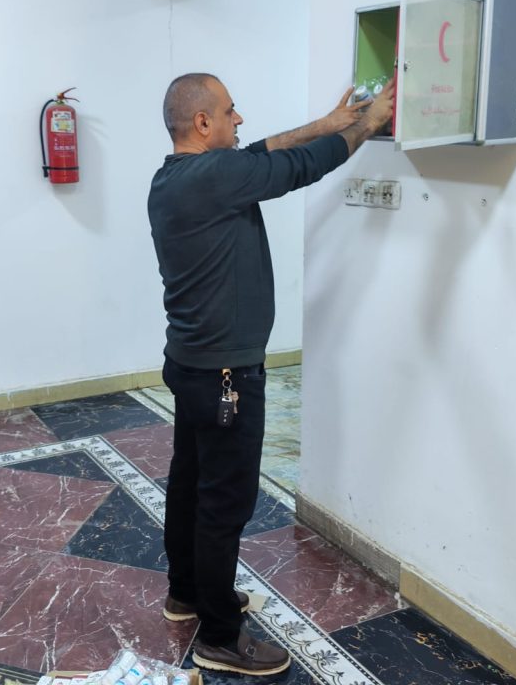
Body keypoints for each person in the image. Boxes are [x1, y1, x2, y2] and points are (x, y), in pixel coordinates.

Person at [148, 73, 393, 675]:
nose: (240, 120)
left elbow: (261, 151)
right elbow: (300, 166)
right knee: (224, 504)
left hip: (191, 365)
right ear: (202, 123)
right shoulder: (216, 176)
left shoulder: (174, 177)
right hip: (226, 374)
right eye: (230, 111)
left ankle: (187, 593)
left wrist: (326, 122)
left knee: (190, 482)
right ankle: (219, 638)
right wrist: (367, 124)